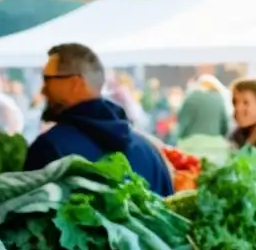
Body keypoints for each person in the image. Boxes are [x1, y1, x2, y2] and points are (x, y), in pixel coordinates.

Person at [26, 43, 173, 196]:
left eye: (47, 79)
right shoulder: (149, 152)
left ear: (75, 83)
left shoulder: (49, 149)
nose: (43, 90)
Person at [178, 74, 230, 141]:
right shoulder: (219, 99)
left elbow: (183, 123)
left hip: (191, 144)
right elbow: (224, 125)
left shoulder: (190, 97)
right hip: (214, 144)